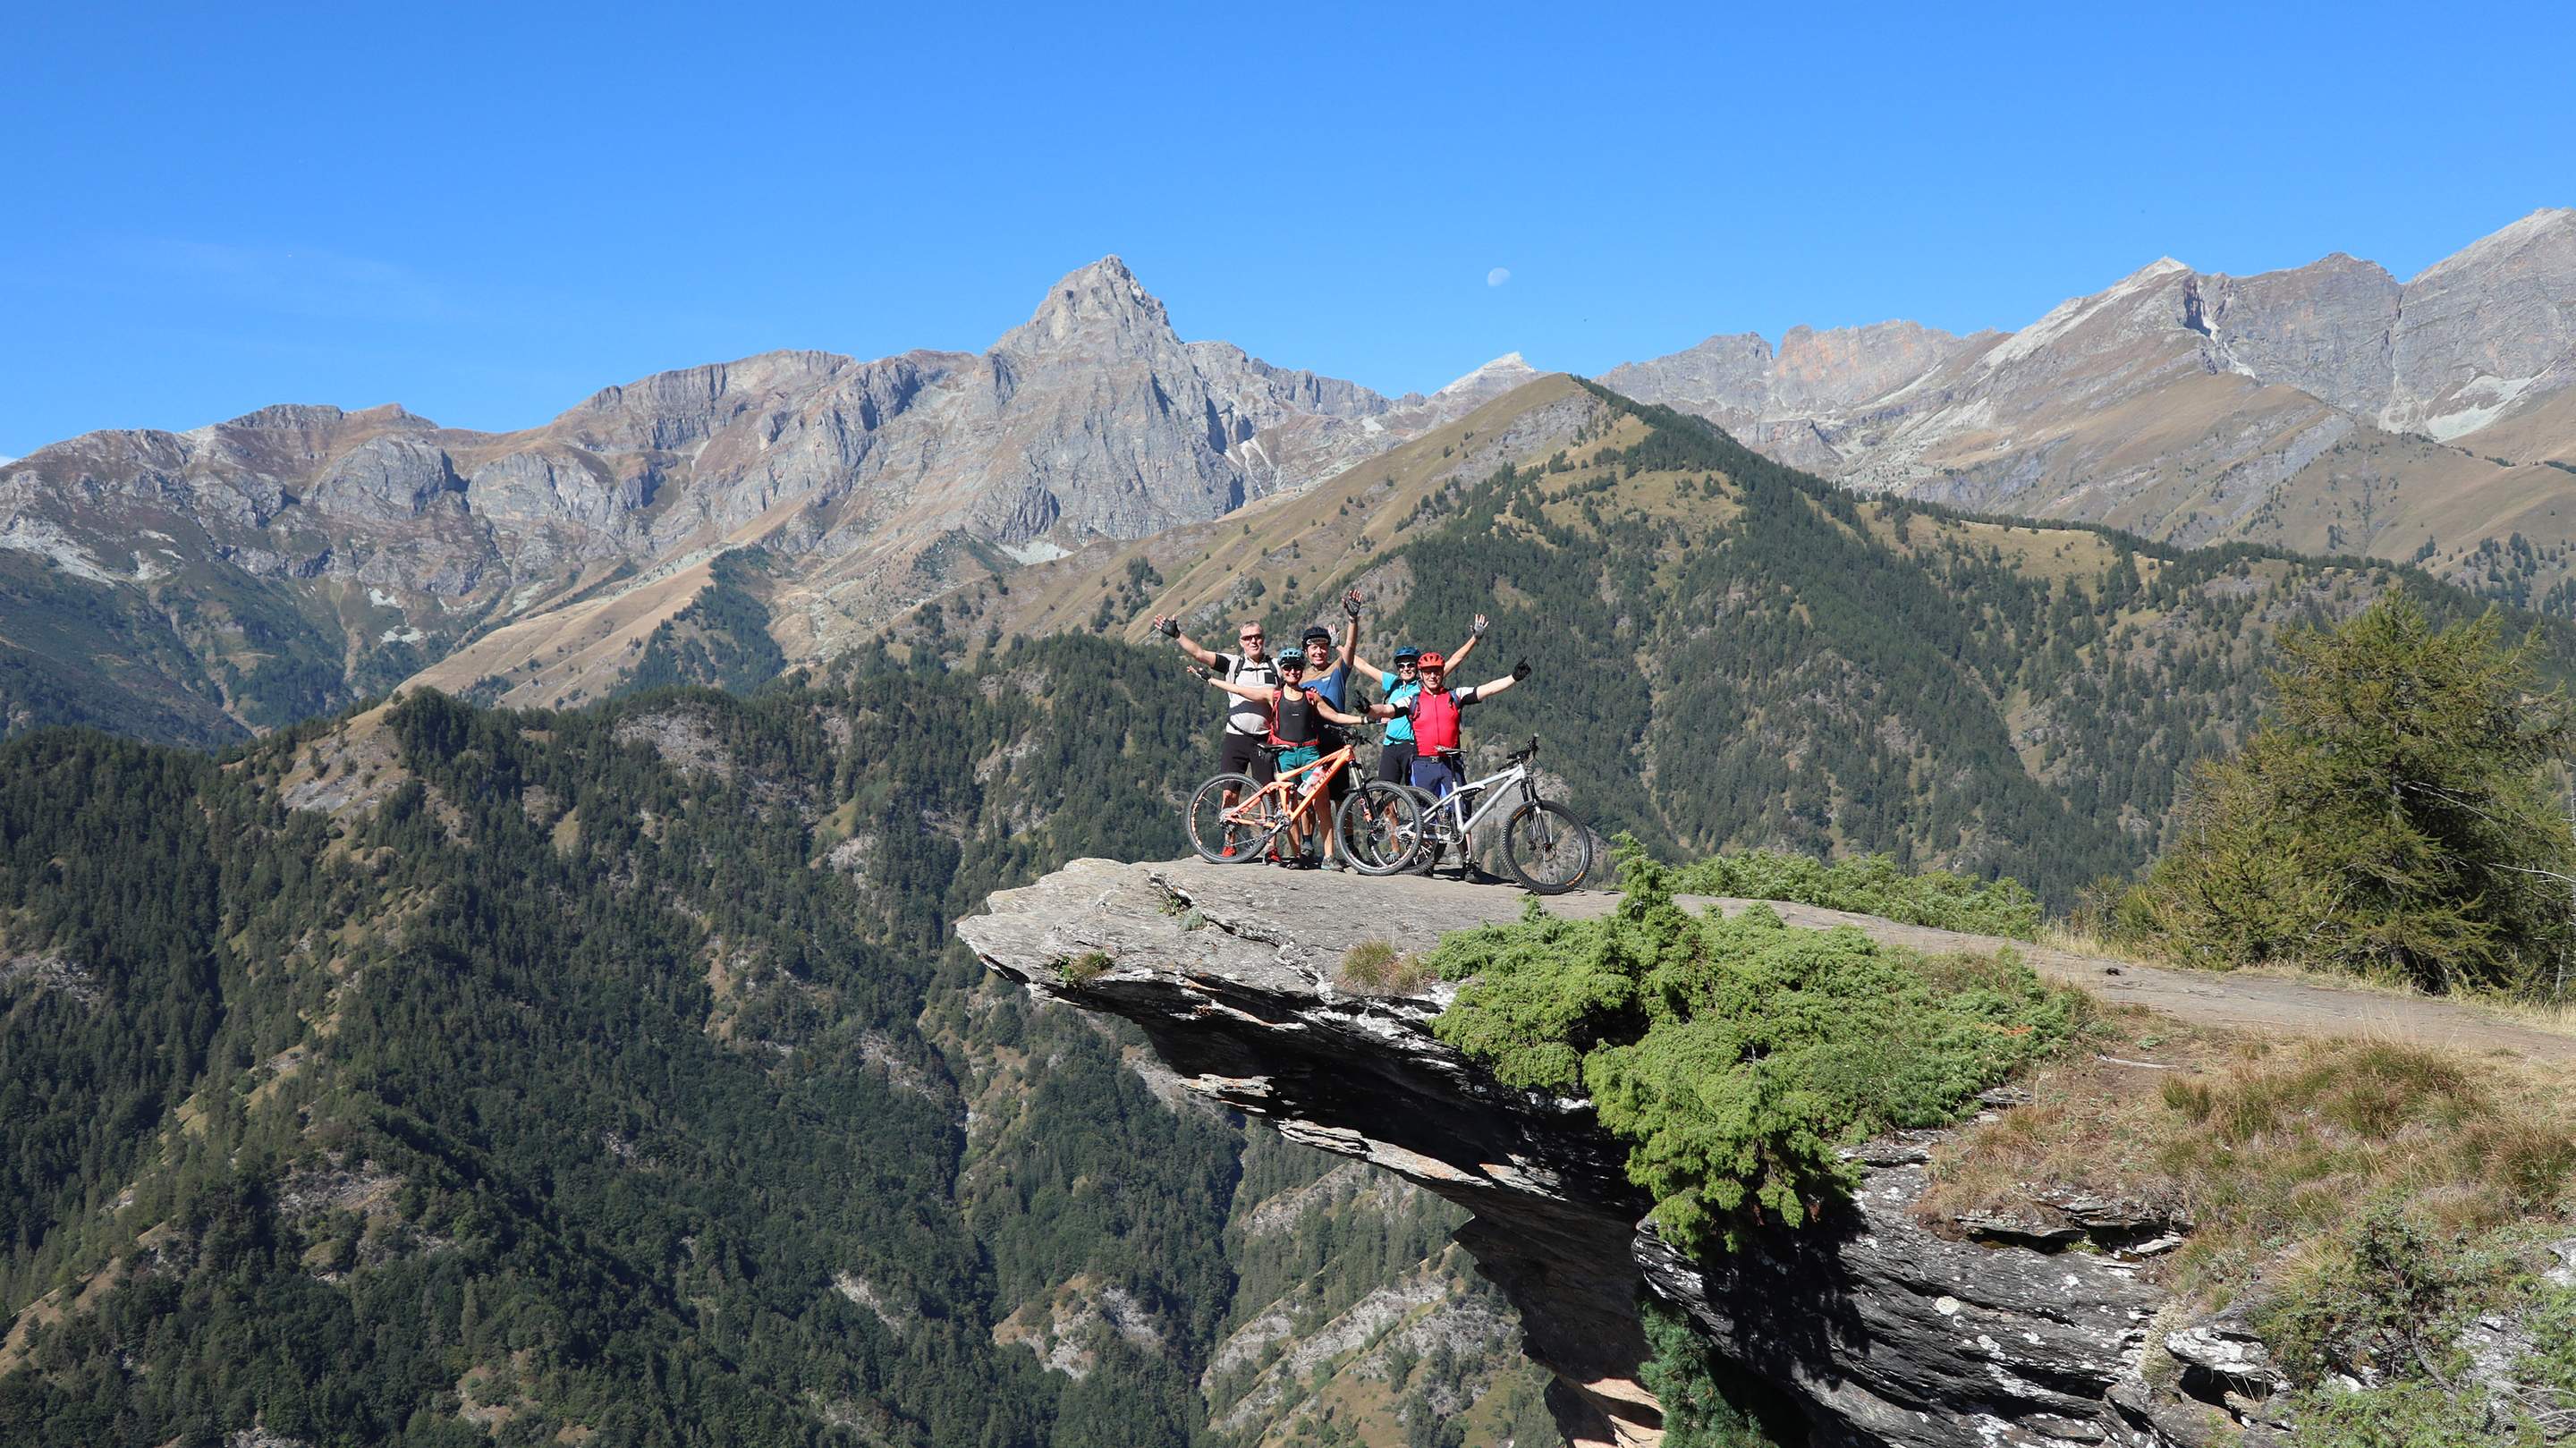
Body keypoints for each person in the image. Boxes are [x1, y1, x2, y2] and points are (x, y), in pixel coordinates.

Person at [1199, 650, 1370, 868]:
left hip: (1310, 755)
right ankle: (1298, 856)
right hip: (1285, 755)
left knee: (1322, 804)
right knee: (1289, 807)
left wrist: (1363, 720)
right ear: (1282, 671)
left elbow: (1335, 716)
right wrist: (1211, 680)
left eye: (1297, 667)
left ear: (1301, 670)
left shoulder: (1311, 696)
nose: (1292, 672)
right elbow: (1241, 690)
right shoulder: (1274, 695)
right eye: (1288, 668)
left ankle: (1329, 856)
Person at [1346, 605, 1487, 788]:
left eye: (1410, 665)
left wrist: (1475, 639)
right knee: (1386, 794)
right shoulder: (1393, 682)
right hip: (1390, 745)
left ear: (1418, 668)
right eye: (1402, 666)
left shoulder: (1425, 684)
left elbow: (1455, 659)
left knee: (1416, 793)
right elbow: (1363, 665)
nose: (1406, 669)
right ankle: (1395, 819)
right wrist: (1338, 647)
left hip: (1412, 746)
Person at [1153, 612, 1280, 809]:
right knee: (1229, 792)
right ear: (1241, 642)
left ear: (1263, 639)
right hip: (1237, 736)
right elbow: (1200, 654)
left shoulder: (1277, 667)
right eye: (1248, 638)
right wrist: (1177, 635)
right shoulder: (1233, 664)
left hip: (1265, 739)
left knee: (1268, 794)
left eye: (1257, 637)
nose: (1253, 641)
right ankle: (1229, 839)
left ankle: (1269, 840)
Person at [1375, 651, 1531, 801]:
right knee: (1425, 819)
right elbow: (1387, 709)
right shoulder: (1412, 700)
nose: (1433, 676)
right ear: (1421, 675)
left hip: (1451, 764)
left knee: (1460, 815)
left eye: (1436, 672)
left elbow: (1487, 689)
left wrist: (1514, 678)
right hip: (1423, 765)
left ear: (1442, 673)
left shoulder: (1455, 695)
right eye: (1428, 672)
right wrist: (1368, 710)